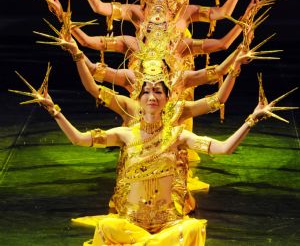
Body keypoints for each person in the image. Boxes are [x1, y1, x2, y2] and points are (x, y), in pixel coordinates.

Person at [10, 68, 291, 246]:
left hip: (169, 226)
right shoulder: (124, 134)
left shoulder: (179, 136)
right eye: (147, 91)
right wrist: (54, 110)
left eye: (158, 91)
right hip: (131, 225)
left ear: (167, 99)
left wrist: (251, 120)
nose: (152, 96)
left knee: (190, 231)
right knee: (108, 226)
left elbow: (224, 148)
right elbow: (79, 139)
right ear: (140, 99)